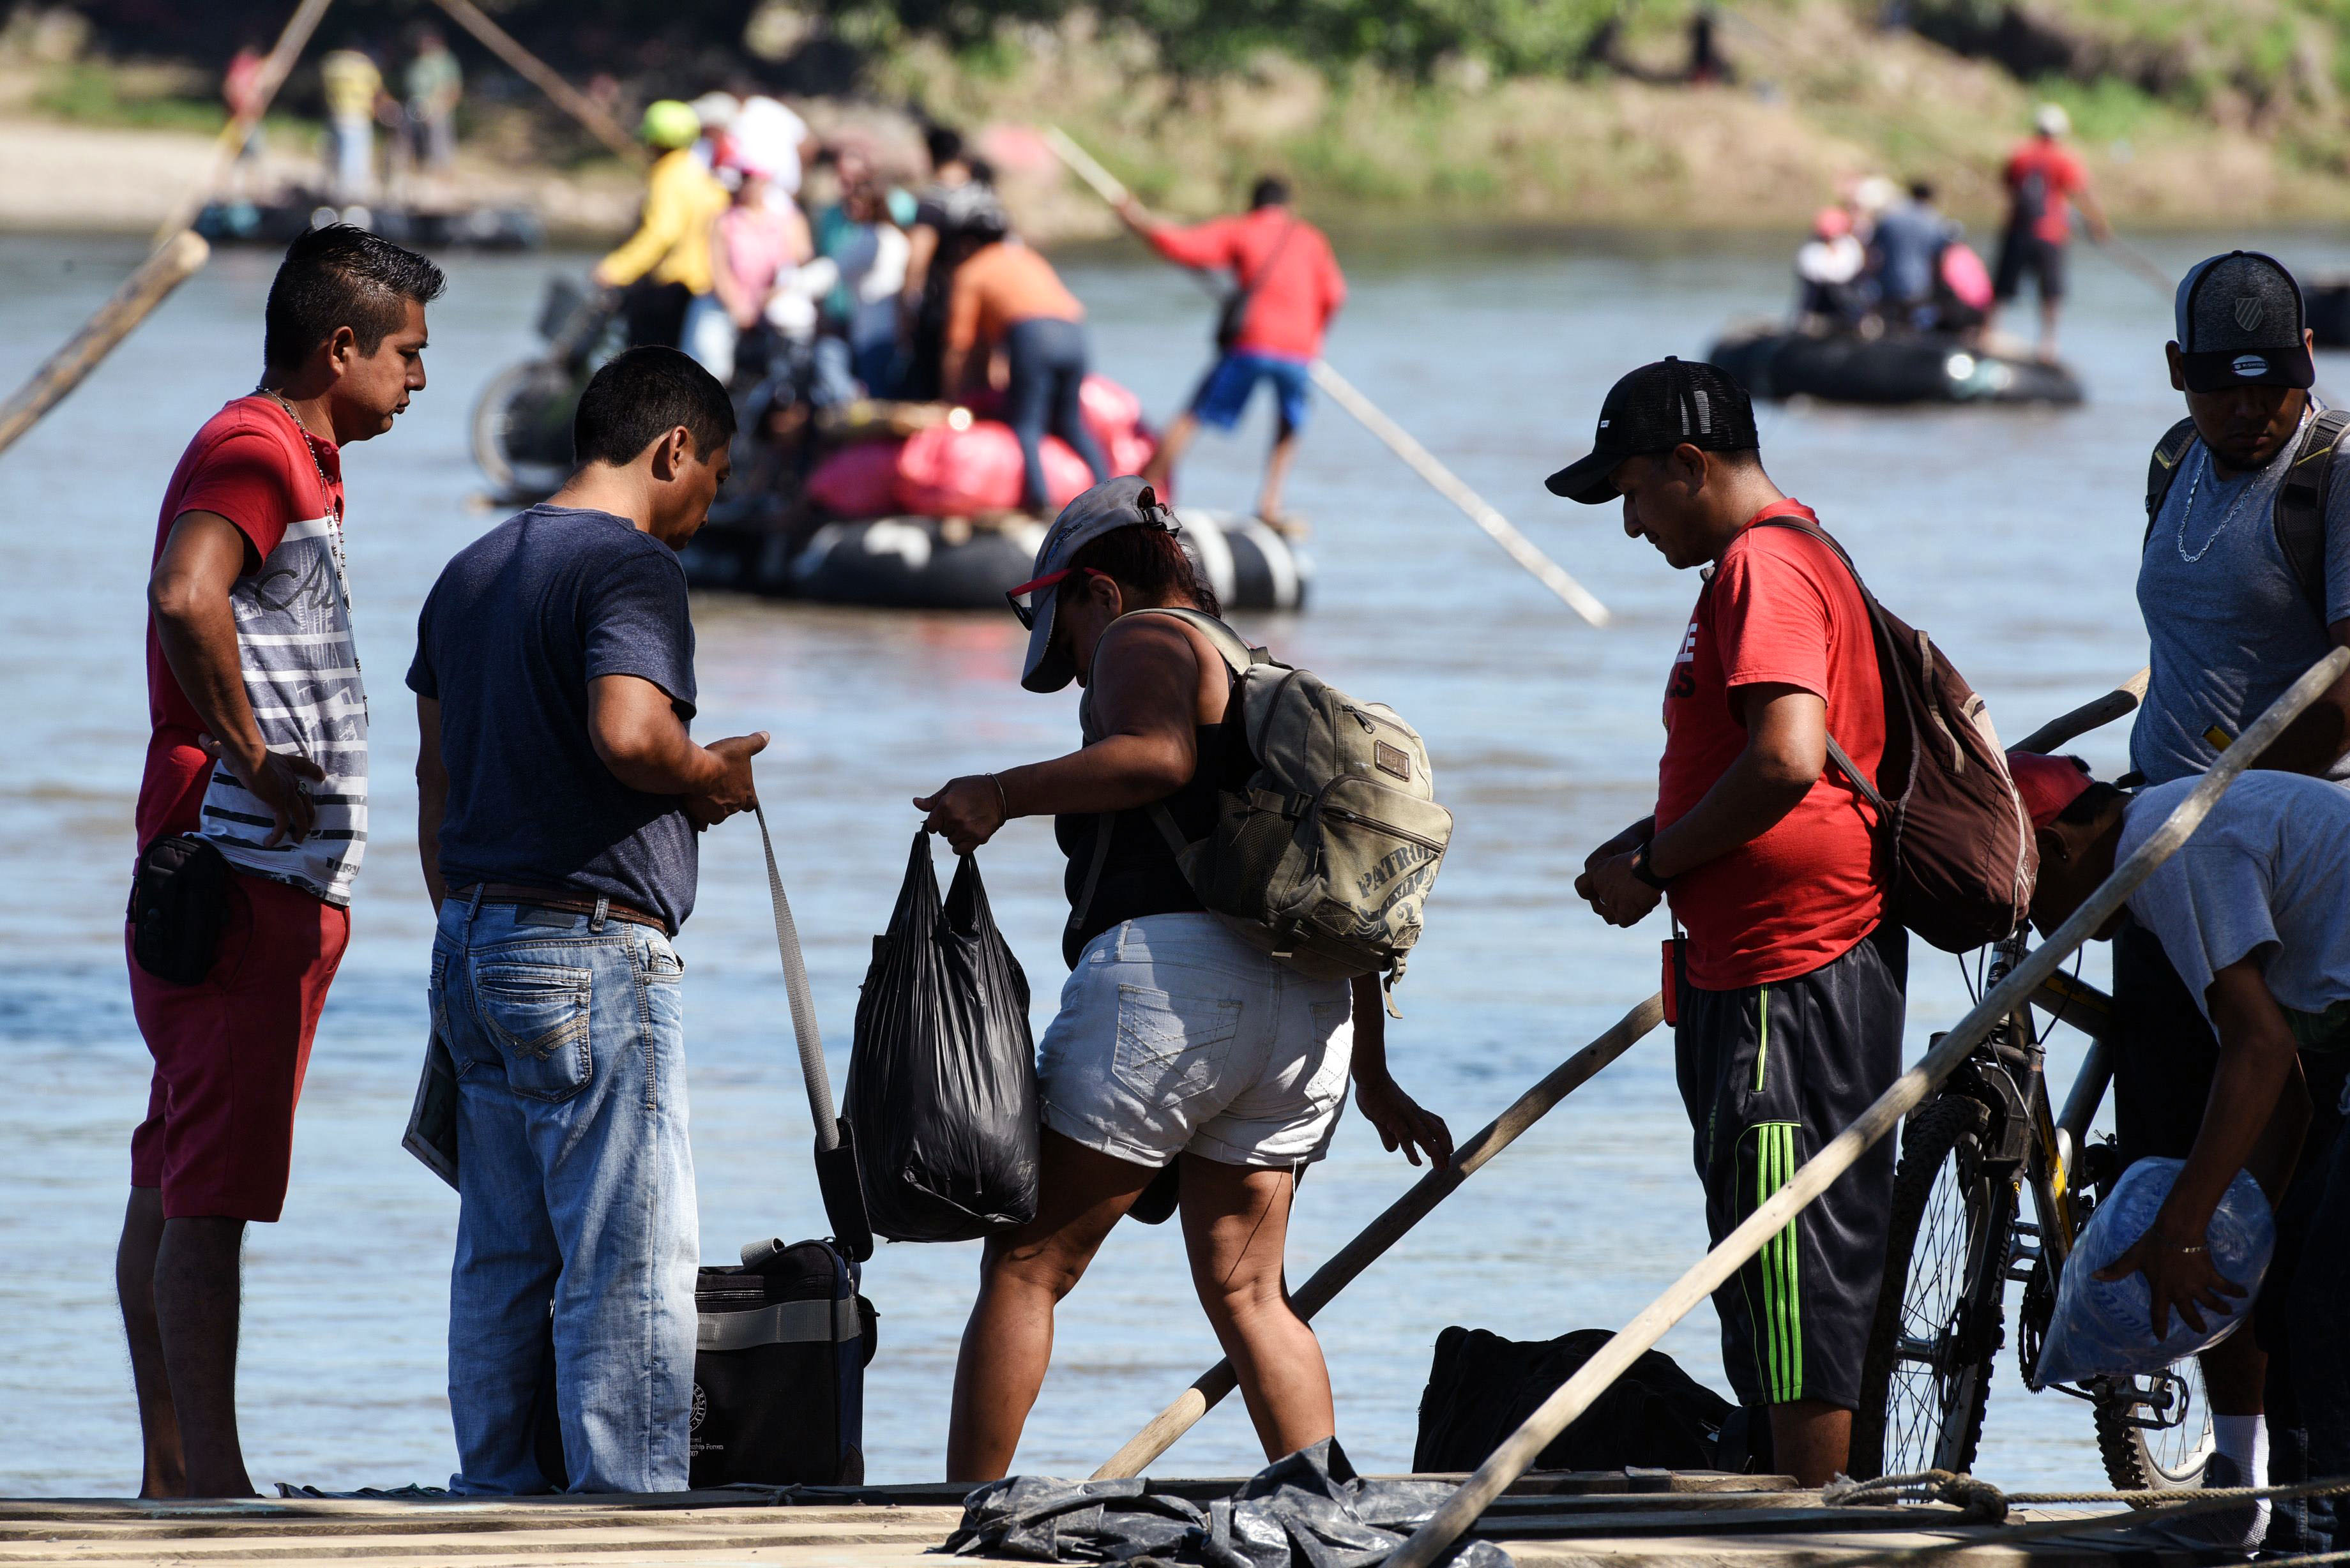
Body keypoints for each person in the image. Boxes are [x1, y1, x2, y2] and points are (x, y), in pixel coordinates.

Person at [915, 477, 1452, 1482]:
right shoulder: (1258, 680)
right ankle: (1322, 1514)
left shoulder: (1143, 640)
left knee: (1029, 1265)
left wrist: (999, 792)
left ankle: (961, 1515)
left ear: (1097, 592)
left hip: (1173, 992)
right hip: (1309, 1016)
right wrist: (1372, 1073)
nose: (1079, 665)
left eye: (1068, 638)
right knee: (1253, 1295)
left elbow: (1154, 757)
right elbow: (1335, 907)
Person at [409, 347, 766, 1494]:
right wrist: (706, 775)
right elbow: (629, 733)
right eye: (712, 476)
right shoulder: (631, 567)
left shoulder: (469, 570)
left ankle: (499, 1496)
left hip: (473, 937)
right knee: (630, 1253)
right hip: (590, 945)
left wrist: (467, 920)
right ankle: (626, 1511)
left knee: (504, 1254)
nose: (707, 507)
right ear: (672, 452)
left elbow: (436, 778)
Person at [122, 225, 441, 1498]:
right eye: (409, 353)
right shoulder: (258, 448)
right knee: (210, 1189)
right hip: (241, 872)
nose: (421, 378)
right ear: (342, 345)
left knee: (175, 1163)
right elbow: (184, 594)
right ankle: (212, 1487)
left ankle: (173, 1470)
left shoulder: (301, 457)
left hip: (254, 872)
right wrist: (252, 758)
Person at [1556, 358, 1900, 1488]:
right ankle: (1798, 1490)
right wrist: (1646, 838)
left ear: (1689, 465)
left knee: (1792, 1260)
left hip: (1790, 970)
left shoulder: (1767, 565)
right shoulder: (1767, 562)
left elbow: (1790, 762)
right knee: (1765, 1262)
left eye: (1634, 493)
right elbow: (1743, 762)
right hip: (1757, 965)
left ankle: (1814, 1520)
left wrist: (1656, 862)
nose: (1629, 523)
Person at [2105, 248, 2350, 1544]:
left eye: (2274, 388)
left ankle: (2302, 1478)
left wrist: (2221, 808)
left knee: (2276, 1171)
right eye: (2220, 392)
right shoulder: (2166, 463)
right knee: (2167, 1148)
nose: (2249, 414)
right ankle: (2236, 1479)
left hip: (2273, 860)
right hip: (2168, 858)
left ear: (2306, 365)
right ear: (2176, 378)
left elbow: (2347, 699)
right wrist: (2158, 804)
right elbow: (2174, 649)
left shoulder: (2334, 475)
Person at [2011, 753, 2350, 1551]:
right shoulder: (2169, 827)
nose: (2037, 929)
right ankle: (2305, 1518)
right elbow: (2288, 1090)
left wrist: (2184, 1228)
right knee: (2294, 1273)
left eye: (2030, 905)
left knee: (2324, 1304)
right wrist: (2244, 1228)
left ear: (2058, 848)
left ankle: (2321, 1529)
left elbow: (2258, 1048)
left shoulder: (2169, 851)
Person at [1117, 176, 1346, 530]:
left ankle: (1142, 495)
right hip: (1299, 351)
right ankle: (1271, 503)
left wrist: (1137, 222)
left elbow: (1182, 246)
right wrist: (1314, 340)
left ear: (1253, 204)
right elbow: (1335, 294)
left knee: (1194, 415)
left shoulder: (1244, 230)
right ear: (1289, 207)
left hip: (1252, 342)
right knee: (1290, 423)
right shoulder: (1312, 238)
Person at [939, 205, 1111, 516]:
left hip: (1033, 335)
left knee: (1026, 423)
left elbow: (959, 346)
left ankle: (1040, 502)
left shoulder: (971, 271)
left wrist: (951, 398)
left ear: (966, 244)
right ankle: (1112, 497)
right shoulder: (1026, 257)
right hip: (1075, 333)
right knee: (1071, 423)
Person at [594, 100, 729, 354]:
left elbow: (662, 231)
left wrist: (616, 269)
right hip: (700, 287)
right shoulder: (698, 172)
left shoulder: (667, 176)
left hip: (670, 286)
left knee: (642, 362)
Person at [1990, 103, 2110, 361]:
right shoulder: (2064, 158)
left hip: (2018, 231)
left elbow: (2008, 186)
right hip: (2050, 235)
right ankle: (2048, 343)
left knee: (2002, 286)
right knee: (2051, 292)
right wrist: (2098, 224)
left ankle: (1990, 331)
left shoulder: (2019, 155)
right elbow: (2082, 193)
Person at [689, 149, 810, 386]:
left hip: (773, 305)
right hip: (730, 306)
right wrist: (740, 309)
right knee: (710, 356)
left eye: (750, 178)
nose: (745, 185)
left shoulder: (788, 218)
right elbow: (718, 269)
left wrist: (769, 298)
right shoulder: (725, 219)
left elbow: (800, 263)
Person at [899, 126, 978, 401]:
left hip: (946, 306)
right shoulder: (988, 201)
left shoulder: (934, 201)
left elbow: (918, 257)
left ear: (931, 157)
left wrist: (906, 308)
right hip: (986, 310)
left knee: (936, 392)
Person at [1867, 181, 1952, 328]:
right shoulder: (1935, 222)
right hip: (1920, 287)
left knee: (1889, 326)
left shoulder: (1889, 218)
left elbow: (1872, 251)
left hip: (1887, 285)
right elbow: (1940, 259)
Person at [318, 46, 383, 202]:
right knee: (355, 156)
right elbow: (376, 91)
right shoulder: (364, 66)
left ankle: (335, 191)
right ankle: (352, 196)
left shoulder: (332, 65)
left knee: (336, 154)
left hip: (337, 114)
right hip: (357, 116)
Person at [1793, 206, 1865, 328]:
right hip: (1818, 303)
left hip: (1846, 303)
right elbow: (1815, 275)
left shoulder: (1850, 246)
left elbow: (1847, 272)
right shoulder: (1811, 250)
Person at [403, 29, 462, 173]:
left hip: (438, 106)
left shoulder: (445, 61)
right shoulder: (417, 63)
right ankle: (418, 166)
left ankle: (443, 170)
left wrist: (443, 106)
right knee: (413, 137)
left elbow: (453, 87)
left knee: (441, 139)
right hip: (417, 106)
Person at [222, 43, 267, 195]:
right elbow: (232, 89)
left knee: (246, 155)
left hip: (245, 119)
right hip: (243, 120)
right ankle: (250, 189)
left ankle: (247, 189)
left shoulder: (245, 68)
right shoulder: (244, 69)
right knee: (249, 154)